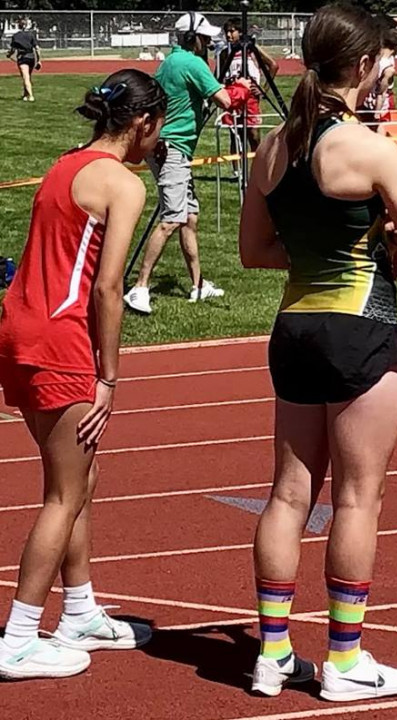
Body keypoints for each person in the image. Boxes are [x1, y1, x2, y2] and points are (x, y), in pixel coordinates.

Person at [239, 3, 397, 702]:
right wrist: (385, 241)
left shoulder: (272, 144)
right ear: (360, 65)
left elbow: (254, 252)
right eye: (385, 57)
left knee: (289, 495)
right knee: (358, 498)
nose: (391, 67)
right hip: (362, 328)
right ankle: (345, 661)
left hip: (293, 329)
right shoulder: (370, 147)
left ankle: (272, 653)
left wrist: (336, 244)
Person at [0, 69, 167, 681]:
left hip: (19, 326)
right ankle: (18, 636)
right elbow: (108, 287)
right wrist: (109, 376)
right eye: (160, 128)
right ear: (143, 124)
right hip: (60, 339)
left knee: (79, 475)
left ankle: (79, 610)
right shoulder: (122, 184)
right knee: (64, 493)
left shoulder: (64, 164)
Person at [123, 12, 233, 315]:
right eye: (204, 37)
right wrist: (242, 89)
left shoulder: (171, 61)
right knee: (172, 218)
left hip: (169, 147)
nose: (209, 42)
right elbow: (225, 100)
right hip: (172, 149)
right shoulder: (191, 63)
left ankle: (198, 284)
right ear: (191, 38)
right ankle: (140, 287)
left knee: (189, 217)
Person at [221, 17, 279, 155]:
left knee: (253, 134)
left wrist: (263, 89)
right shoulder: (225, 53)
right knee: (235, 135)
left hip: (250, 97)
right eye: (226, 32)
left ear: (240, 32)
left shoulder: (252, 50)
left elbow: (273, 65)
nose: (228, 35)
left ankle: (256, 167)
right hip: (233, 96)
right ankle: (237, 172)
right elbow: (219, 74)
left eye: (232, 31)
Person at [7, 18, 41, 102]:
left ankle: (31, 96)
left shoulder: (16, 36)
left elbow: (12, 49)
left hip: (22, 58)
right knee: (27, 77)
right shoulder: (31, 35)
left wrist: (9, 55)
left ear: (19, 25)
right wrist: (39, 60)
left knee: (26, 77)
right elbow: (37, 48)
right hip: (31, 58)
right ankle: (25, 95)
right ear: (26, 25)